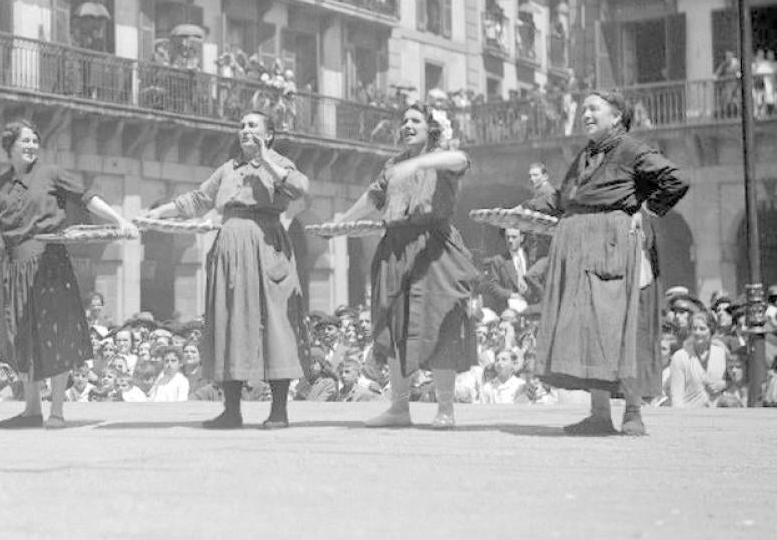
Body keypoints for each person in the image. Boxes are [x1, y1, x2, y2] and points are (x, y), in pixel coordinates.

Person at [527, 91, 689, 435]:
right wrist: (523, 209)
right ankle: (599, 414)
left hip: (618, 248)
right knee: (591, 328)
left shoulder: (632, 149)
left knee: (624, 326)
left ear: (616, 116)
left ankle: (633, 412)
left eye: (593, 108)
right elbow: (562, 199)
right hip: (583, 250)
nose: (585, 114)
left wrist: (644, 210)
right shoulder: (585, 154)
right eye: (583, 108)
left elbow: (675, 180)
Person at [144, 111, 310, 429]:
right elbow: (197, 200)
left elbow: (298, 189)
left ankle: (278, 411)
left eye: (253, 126)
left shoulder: (280, 163)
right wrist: (154, 214)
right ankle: (231, 410)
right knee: (227, 323)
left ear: (269, 134)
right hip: (228, 249)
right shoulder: (227, 169)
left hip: (265, 246)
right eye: (242, 126)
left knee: (274, 325)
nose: (245, 130)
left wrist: (264, 158)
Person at [0, 119, 134, 430]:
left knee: (55, 335)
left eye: (35, 140)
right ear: (10, 147)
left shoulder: (51, 174)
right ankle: (32, 410)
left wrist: (119, 219)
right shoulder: (1, 183)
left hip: (50, 263)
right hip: (15, 267)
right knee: (21, 336)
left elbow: (87, 198)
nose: (32, 146)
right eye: (25, 141)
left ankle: (57, 411)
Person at [336, 102, 478, 429]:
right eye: (403, 121)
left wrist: (424, 160)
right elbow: (373, 198)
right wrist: (342, 223)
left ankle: (446, 410)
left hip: (435, 247)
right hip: (395, 248)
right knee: (395, 326)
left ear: (431, 129)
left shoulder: (443, 158)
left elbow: (462, 160)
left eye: (415, 120)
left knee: (442, 323)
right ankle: (399, 409)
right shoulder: (392, 164)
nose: (407, 125)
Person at [668, 311, 727, 408]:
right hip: (690, 415)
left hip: (716, 415)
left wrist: (724, 384)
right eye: (694, 329)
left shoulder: (721, 353)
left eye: (702, 329)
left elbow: (733, 381)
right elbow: (676, 395)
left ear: (711, 330)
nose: (697, 332)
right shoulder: (680, 357)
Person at [478, 228, 539, 316]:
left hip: (531, 308)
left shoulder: (529, 257)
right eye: (508, 237)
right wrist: (511, 295)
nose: (510, 240)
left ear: (521, 238)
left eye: (514, 237)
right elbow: (493, 287)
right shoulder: (498, 260)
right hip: (509, 312)